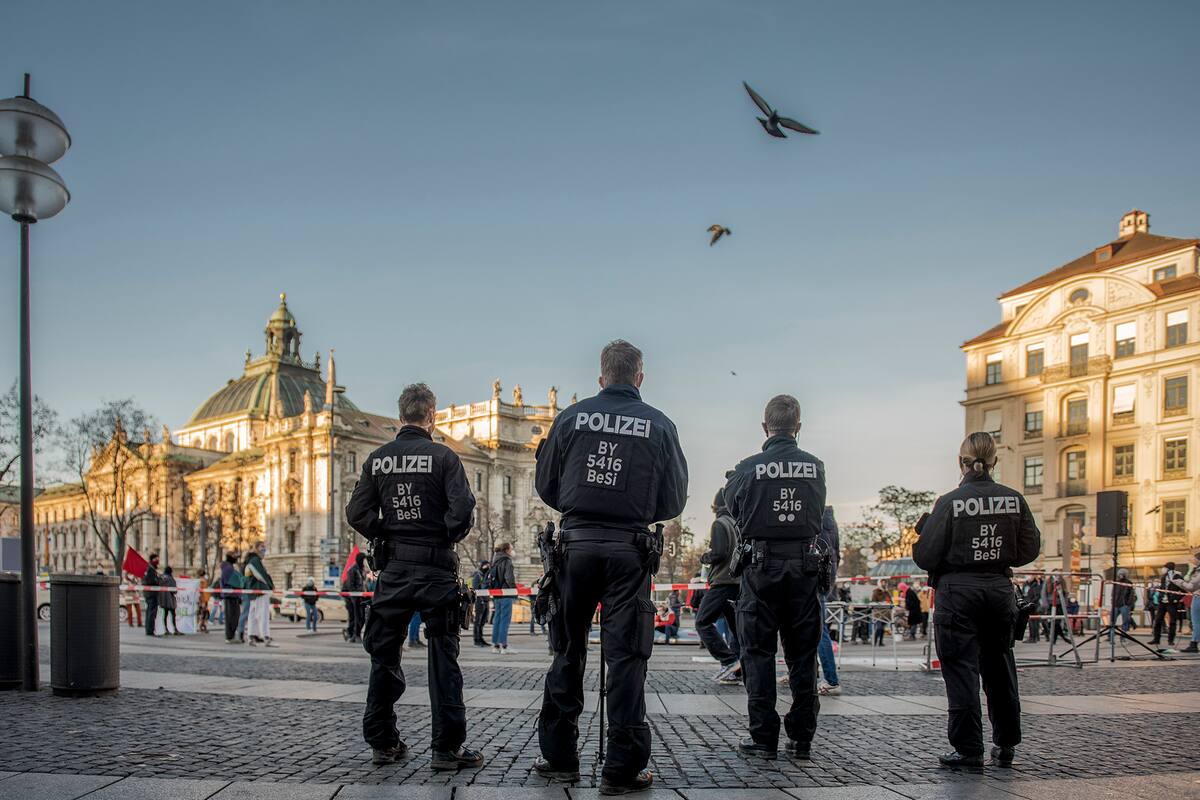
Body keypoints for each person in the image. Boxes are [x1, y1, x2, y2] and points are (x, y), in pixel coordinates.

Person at [532, 339, 688, 794]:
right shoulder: (659, 424)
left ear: (601, 378)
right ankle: (621, 768)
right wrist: (635, 510)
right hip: (629, 550)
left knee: (567, 651)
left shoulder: (571, 419)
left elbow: (546, 484)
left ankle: (560, 757)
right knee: (626, 659)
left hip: (575, 548)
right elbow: (674, 499)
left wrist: (579, 505)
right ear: (640, 377)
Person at [345, 382, 483, 771]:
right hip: (436, 568)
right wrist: (442, 534)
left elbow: (356, 512)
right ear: (433, 416)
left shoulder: (378, 459)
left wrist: (385, 532)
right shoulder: (444, 457)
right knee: (444, 657)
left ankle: (383, 742)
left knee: (383, 656)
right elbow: (462, 512)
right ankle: (446, 748)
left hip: (394, 570)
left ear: (401, 414)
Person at [912, 432, 1041, 770]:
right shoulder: (1013, 499)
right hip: (999, 590)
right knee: (1000, 668)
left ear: (961, 462)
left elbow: (926, 556)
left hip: (958, 593)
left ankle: (969, 749)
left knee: (961, 672)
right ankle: (1006, 743)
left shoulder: (950, 502)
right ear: (994, 461)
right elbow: (1029, 549)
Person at [723, 394, 826, 761]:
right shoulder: (816, 466)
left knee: (758, 653)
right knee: (802, 654)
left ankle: (763, 736)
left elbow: (730, 506)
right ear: (798, 426)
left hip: (761, 567)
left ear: (765, 427)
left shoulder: (748, 468)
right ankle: (801, 736)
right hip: (804, 568)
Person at [696, 488, 742, 683]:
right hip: (737, 583)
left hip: (722, 581)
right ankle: (739, 668)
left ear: (715, 507)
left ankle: (728, 660)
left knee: (702, 622)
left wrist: (705, 556)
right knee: (736, 628)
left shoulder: (719, 524)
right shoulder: (736, 524)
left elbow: (719, 553)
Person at [815, 506, 841, 695]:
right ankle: (810, 672)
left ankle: (831, 679)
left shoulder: (812, 516)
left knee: (817, 629)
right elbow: (836, 554)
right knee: (817, 627)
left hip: (812, 575)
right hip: (826, 576)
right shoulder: (830, 522)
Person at [243, 541, 276, 647]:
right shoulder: (255, 561)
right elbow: (261, 575)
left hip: (254, 591)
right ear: (256, 548)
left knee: (253, 614)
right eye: (262, 547)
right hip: (260, 590)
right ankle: (266, 637)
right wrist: (270, 586)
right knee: (263, 614)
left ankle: (251, 636)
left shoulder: (251, 560)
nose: (264, 549)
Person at [1150, 562, 1187, 647]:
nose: (1163, 569)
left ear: (1168, 568)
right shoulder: (1163, 577)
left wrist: (1176, 599)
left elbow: (1184, 590)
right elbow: (1162, 588)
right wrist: (1160, 596)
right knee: (1158, 620)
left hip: (1171, 603)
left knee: (1172, 621)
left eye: (1164, 568)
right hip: (1162, 602)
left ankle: (1171, 640)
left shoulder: (1177, 577)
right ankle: (1156, 639)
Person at [488, 543, 516, 654]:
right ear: (507, 550)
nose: (512, 551)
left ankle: (495, 645)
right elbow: (509, 578)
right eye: (511, 548)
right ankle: (504, 645)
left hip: (496, 593)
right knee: (505, 620)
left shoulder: (495, 560)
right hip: (506, 593)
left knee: (497, 620)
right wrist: (514, 590)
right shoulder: (507, 561)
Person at [220, 552, 243, 643]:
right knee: (232, 617)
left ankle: (230, 636)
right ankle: (230, 637)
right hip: (231, 596)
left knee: (233, 616)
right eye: (235, 557)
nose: (236, 559)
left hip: (232, 595)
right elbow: (235, 581)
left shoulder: (228, 567)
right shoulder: (228, 568)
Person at [344, 552, 367, 643]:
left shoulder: (361, 570)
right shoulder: (353, 570)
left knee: (361, 617)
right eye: (363, 560)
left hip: (360, 597)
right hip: (353, 598)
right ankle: (354, 634)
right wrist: (357, 595)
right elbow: (350, 586)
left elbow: (362, 584)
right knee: (355, 617)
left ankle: (352, 633)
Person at [1180, 554, 1200, 653]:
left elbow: (1189, 584)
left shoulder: (1198, 571)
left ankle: (1194, 644)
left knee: (1196, 622)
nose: (1193, 561)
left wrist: (1177, 581)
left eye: (1195, 559)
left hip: (1198, 597)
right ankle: (1193, 643)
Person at [471, 560, 491, 648]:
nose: (487, 567)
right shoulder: (478, 575)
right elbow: (476, 589)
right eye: (486, 566)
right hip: (480, 601)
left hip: (486, 600)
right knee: (478, 622)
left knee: (482, 621)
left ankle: (481, 638)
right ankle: (477, 639)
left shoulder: (485, 575)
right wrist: (480, 599)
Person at [143, 553, 161, 636]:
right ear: (153, 560)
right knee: (151, 612)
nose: (158, 561)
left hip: (149, 593)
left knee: (150, 612)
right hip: (151, 594)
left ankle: (149, 629)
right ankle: (150, 630)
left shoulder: (150, 568)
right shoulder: (150, 569)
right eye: (157, 559)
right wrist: (158, 581)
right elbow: (150, 581)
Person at [159, 566, 181, 635]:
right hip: (170, 600)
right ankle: (175, 629)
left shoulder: (161, 578)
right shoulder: (171, 579)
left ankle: (165, 629)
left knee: (165, 614)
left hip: (163, 599)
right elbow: (174, 590)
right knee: (173, 614)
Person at [197, 569, 211, 633]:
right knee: (203, 612)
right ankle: (201, 626)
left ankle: (203, 625)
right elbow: (201, 591)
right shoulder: (202, 581)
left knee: (203, 612)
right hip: (203, 599)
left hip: (204, 599)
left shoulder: (201, 580)